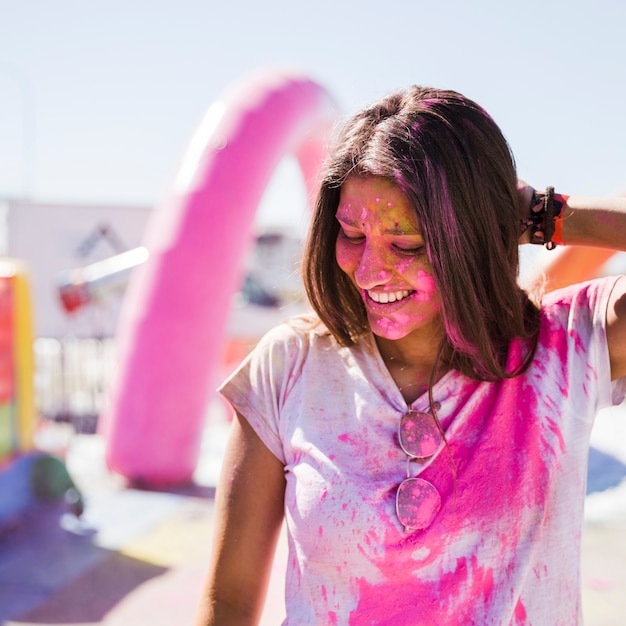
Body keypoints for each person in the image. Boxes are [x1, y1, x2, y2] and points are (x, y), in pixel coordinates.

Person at [194, 86, 626, 625]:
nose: (371, 272)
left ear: (472, 238)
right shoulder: (290, 365)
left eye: (406, 244)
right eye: (352, 234)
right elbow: (228, 603)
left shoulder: (567, 346)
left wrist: (543, 214)